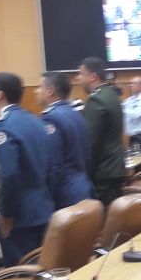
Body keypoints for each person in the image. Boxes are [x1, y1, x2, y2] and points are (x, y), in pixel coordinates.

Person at [0, 72, 55, 266]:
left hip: (19, 215)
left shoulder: (4, 126)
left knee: (21, 273)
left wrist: (7, 214)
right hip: (43, 207)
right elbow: (51, 166)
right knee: (42, 267)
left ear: (0, 94)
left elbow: (8, 175)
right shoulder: (35, 120)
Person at [37, 72, 95, 209]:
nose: (36, 91)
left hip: (65, 192)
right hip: (84, 185)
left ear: (50, 91)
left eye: (39, 87)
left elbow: (54, 163)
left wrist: (48, 194)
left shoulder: (50, 118)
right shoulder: (75, 113)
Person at [76, 57, 126, 207]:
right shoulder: (111, 94)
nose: (78, 78)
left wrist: (85, 170)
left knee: (106, 213)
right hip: (115, 165)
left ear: (92, 76)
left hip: (104, 169)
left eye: (81, 74)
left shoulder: (96, 100)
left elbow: (91, 142)